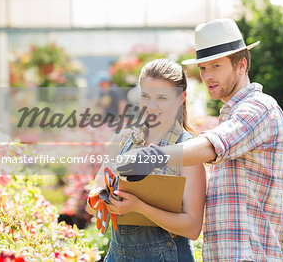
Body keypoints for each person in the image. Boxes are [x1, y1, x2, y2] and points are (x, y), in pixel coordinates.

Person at [119, 19, 283, 261]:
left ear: (241, 65)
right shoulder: (231, 115)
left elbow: (211, 146)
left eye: (216, 66)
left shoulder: (259, 108)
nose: (208, 76)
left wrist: (153, 156)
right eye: (203, 68)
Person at [87, 59, 206, 262]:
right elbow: (91, 204)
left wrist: (139, 207)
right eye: (145, 96)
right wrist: (102, 199)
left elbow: (193, 228)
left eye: (161, 98)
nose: (151, 106)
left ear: (181, 98)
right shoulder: (122, 139)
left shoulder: (188, 150)